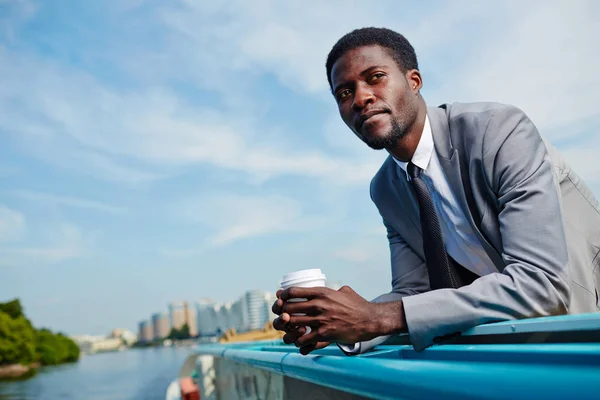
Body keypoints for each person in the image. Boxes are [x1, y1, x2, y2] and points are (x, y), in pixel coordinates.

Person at [272, 27, 600, 355]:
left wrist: (376, 318)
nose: (360, 98)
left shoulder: (499, 132)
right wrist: (339, 324)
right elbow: (413, 292)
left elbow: (540, 284)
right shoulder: (385, 189)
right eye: (344, 93)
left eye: (375, 77)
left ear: (414, 81)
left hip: (584, 324)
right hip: (515, 346)